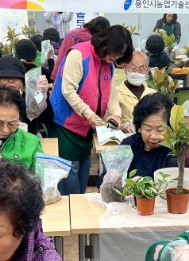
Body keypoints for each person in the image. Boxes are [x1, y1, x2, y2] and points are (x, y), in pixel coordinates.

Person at [49, 25, 133, 194]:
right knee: (69, 175)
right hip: (66, 124)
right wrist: (90, 115)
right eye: (116, 53)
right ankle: (70, 213)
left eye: (120, 56)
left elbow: (111, 90)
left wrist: (116, 114)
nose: (116, 58)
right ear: (105, 45)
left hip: (88, 128)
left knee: (83, 173)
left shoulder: (107, 62)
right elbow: (68, 91)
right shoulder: (79, 54)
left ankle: (80, 207)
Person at [117, 50, 155, 126]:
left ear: (147, 71)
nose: (137, 73)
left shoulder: (153, 94)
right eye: (133, 69)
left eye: (141, 69)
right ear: (125, 68)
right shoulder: (115, 93)